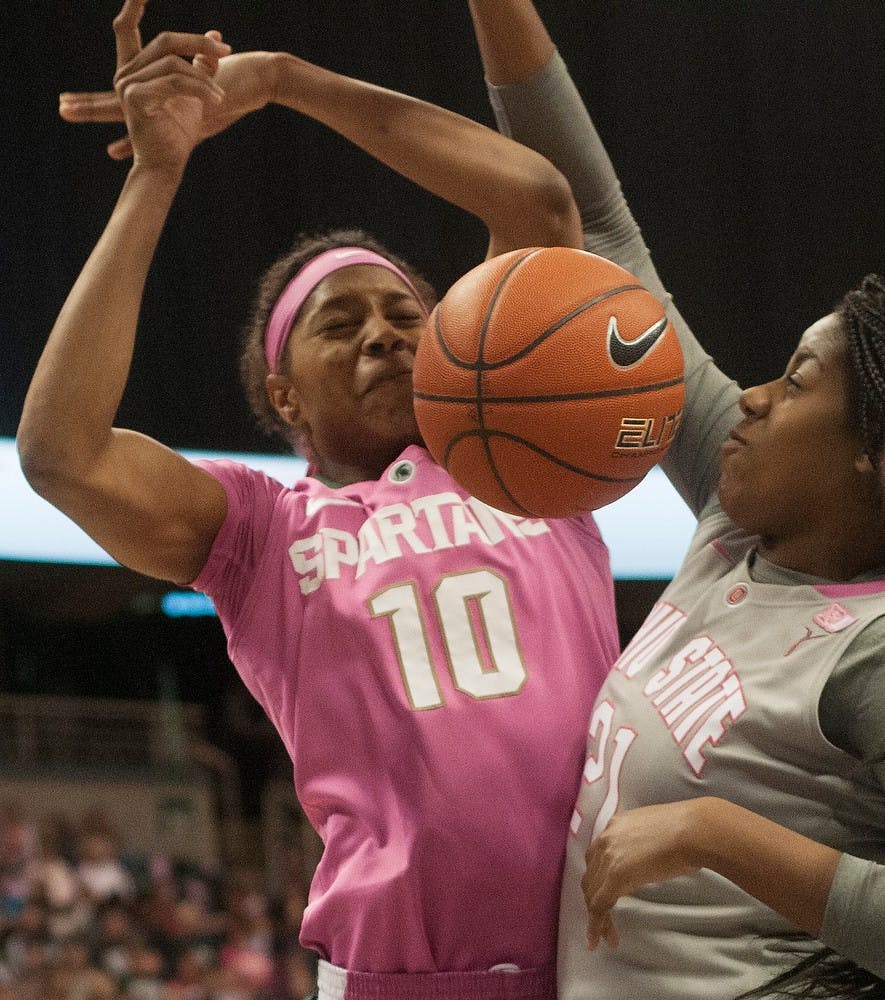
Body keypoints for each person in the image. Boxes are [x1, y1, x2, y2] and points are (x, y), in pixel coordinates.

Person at [19, 2, 622, 998]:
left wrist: (288, 80)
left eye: (405, 315)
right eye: (339, 323)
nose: (384, 334)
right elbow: (62, 454)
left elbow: (541, 206)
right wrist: (157, 173)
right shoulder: (260, 527)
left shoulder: (524, 447)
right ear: (283, 393)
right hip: (405, 974)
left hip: (621, 957)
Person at [464, 1, 885, 997]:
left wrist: (717, 832)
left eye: (795, 379)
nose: (749, 394)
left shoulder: (867, 647)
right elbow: (598, 228)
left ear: (873, 455)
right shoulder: (738, 515)